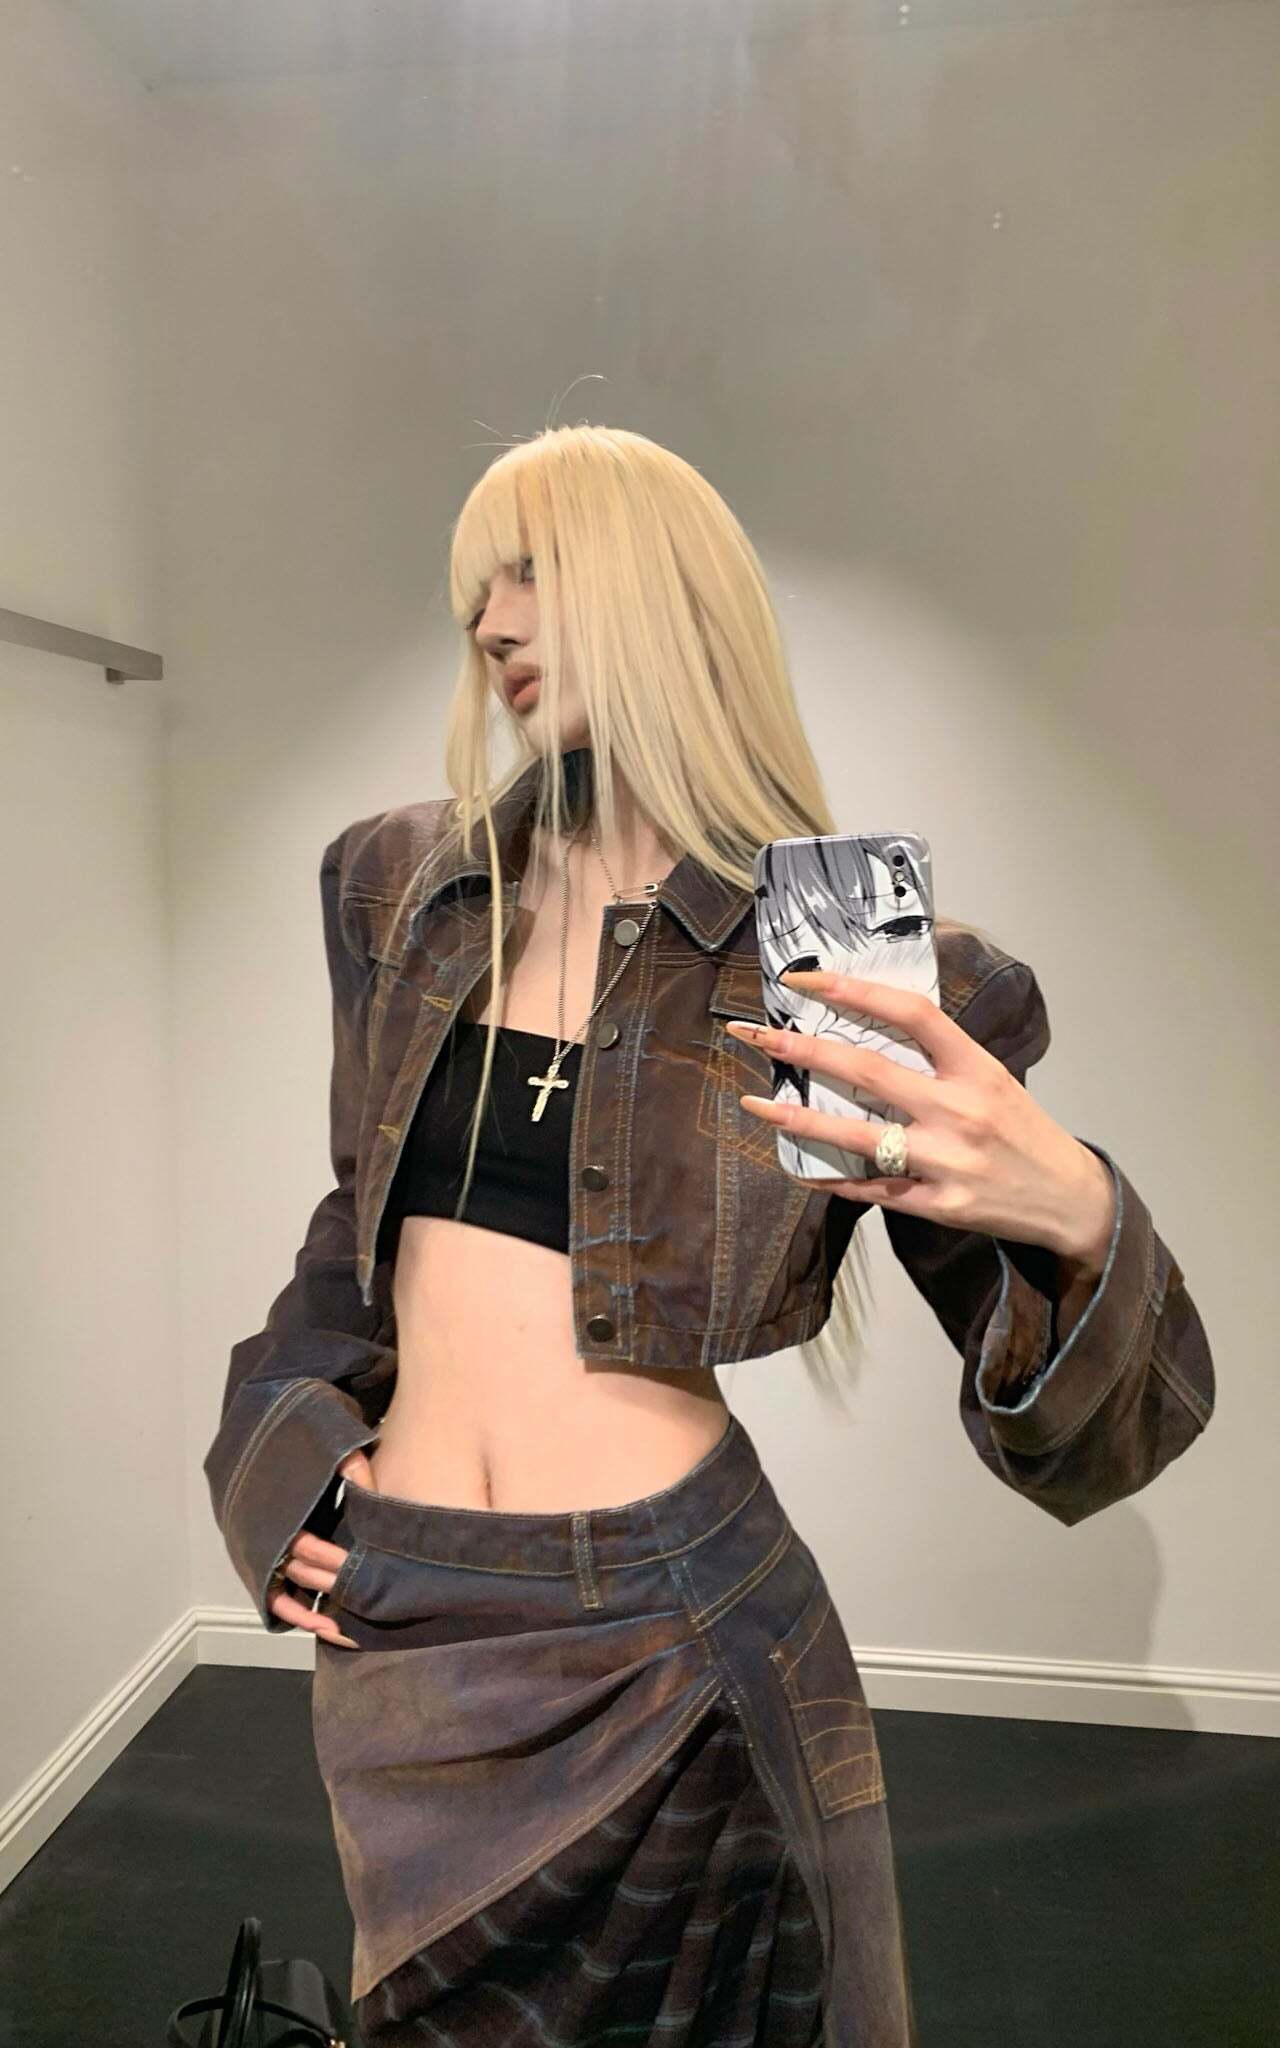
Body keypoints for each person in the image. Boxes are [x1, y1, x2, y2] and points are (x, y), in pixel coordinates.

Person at [203, 424, 1215, 2046]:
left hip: (676, 1643)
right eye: (476, 590)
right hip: (407, 1632)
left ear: (666, 592)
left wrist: (1078, 1215)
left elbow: (1098, 1447)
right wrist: (280, 1450)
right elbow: (356, 1233)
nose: (492, 622)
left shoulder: (831, 945)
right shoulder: (400, 884)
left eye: (533, 572)